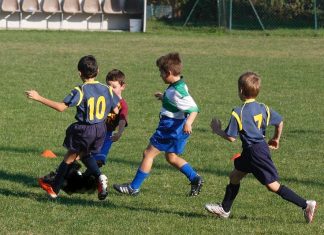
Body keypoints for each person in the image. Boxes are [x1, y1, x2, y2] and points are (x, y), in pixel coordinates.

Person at [204, 71, 316, 223]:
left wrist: (217, 130)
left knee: (273, 186)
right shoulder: (263, 108)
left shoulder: (239, 112)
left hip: (255, 152)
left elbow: (231, 137)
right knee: (234, 176)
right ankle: (225, 209)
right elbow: (280, 121)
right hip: (256, 149)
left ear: (241, 91)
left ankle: (306, 204)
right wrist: (276, 138)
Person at [26, 55, 119, 200]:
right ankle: (57, 189)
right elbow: (117, 110)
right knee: (83, 155)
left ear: (79, 73)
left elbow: (61, 107)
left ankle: (54, 190)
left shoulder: (80, 90)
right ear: (98, 71)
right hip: (100, 129)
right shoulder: (107, 89)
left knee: (69, 158)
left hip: (85, 130)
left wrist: (38, 97)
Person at [113, 52, 203, 196]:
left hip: (170, 127)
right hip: (177, 128)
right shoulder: (178, 86)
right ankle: (195, 178)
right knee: (171, 157)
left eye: (161, 72)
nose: (160, 75)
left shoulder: (177, 91)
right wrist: (164, 98)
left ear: (168, 72)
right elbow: (178, 104)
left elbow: (194, 108)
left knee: (148, 153)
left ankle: (133, 187)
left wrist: (189, 123)